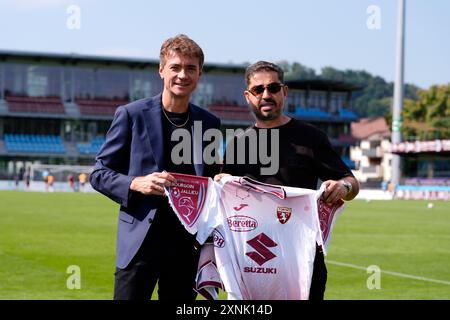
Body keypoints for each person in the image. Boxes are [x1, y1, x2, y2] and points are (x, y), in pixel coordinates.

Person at [89, 34, 221, 300]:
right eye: (175, 67)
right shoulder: (131, 114)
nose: (183, 75)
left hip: (187, 246)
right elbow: (99, 173)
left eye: (190, 68)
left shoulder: (209, 123)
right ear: (161, 70)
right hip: (140, 243)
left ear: (199, 74)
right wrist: (135, 183)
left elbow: (209, 179)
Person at [217, 61, 359, 300]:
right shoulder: (238, 144)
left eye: (273, 88)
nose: (266, 95)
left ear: (284, 91)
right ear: (247, 96)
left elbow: (351, 184)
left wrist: (342, 186)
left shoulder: (311, 137)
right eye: (258, 89)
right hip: (251, 262)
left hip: (302, 259)